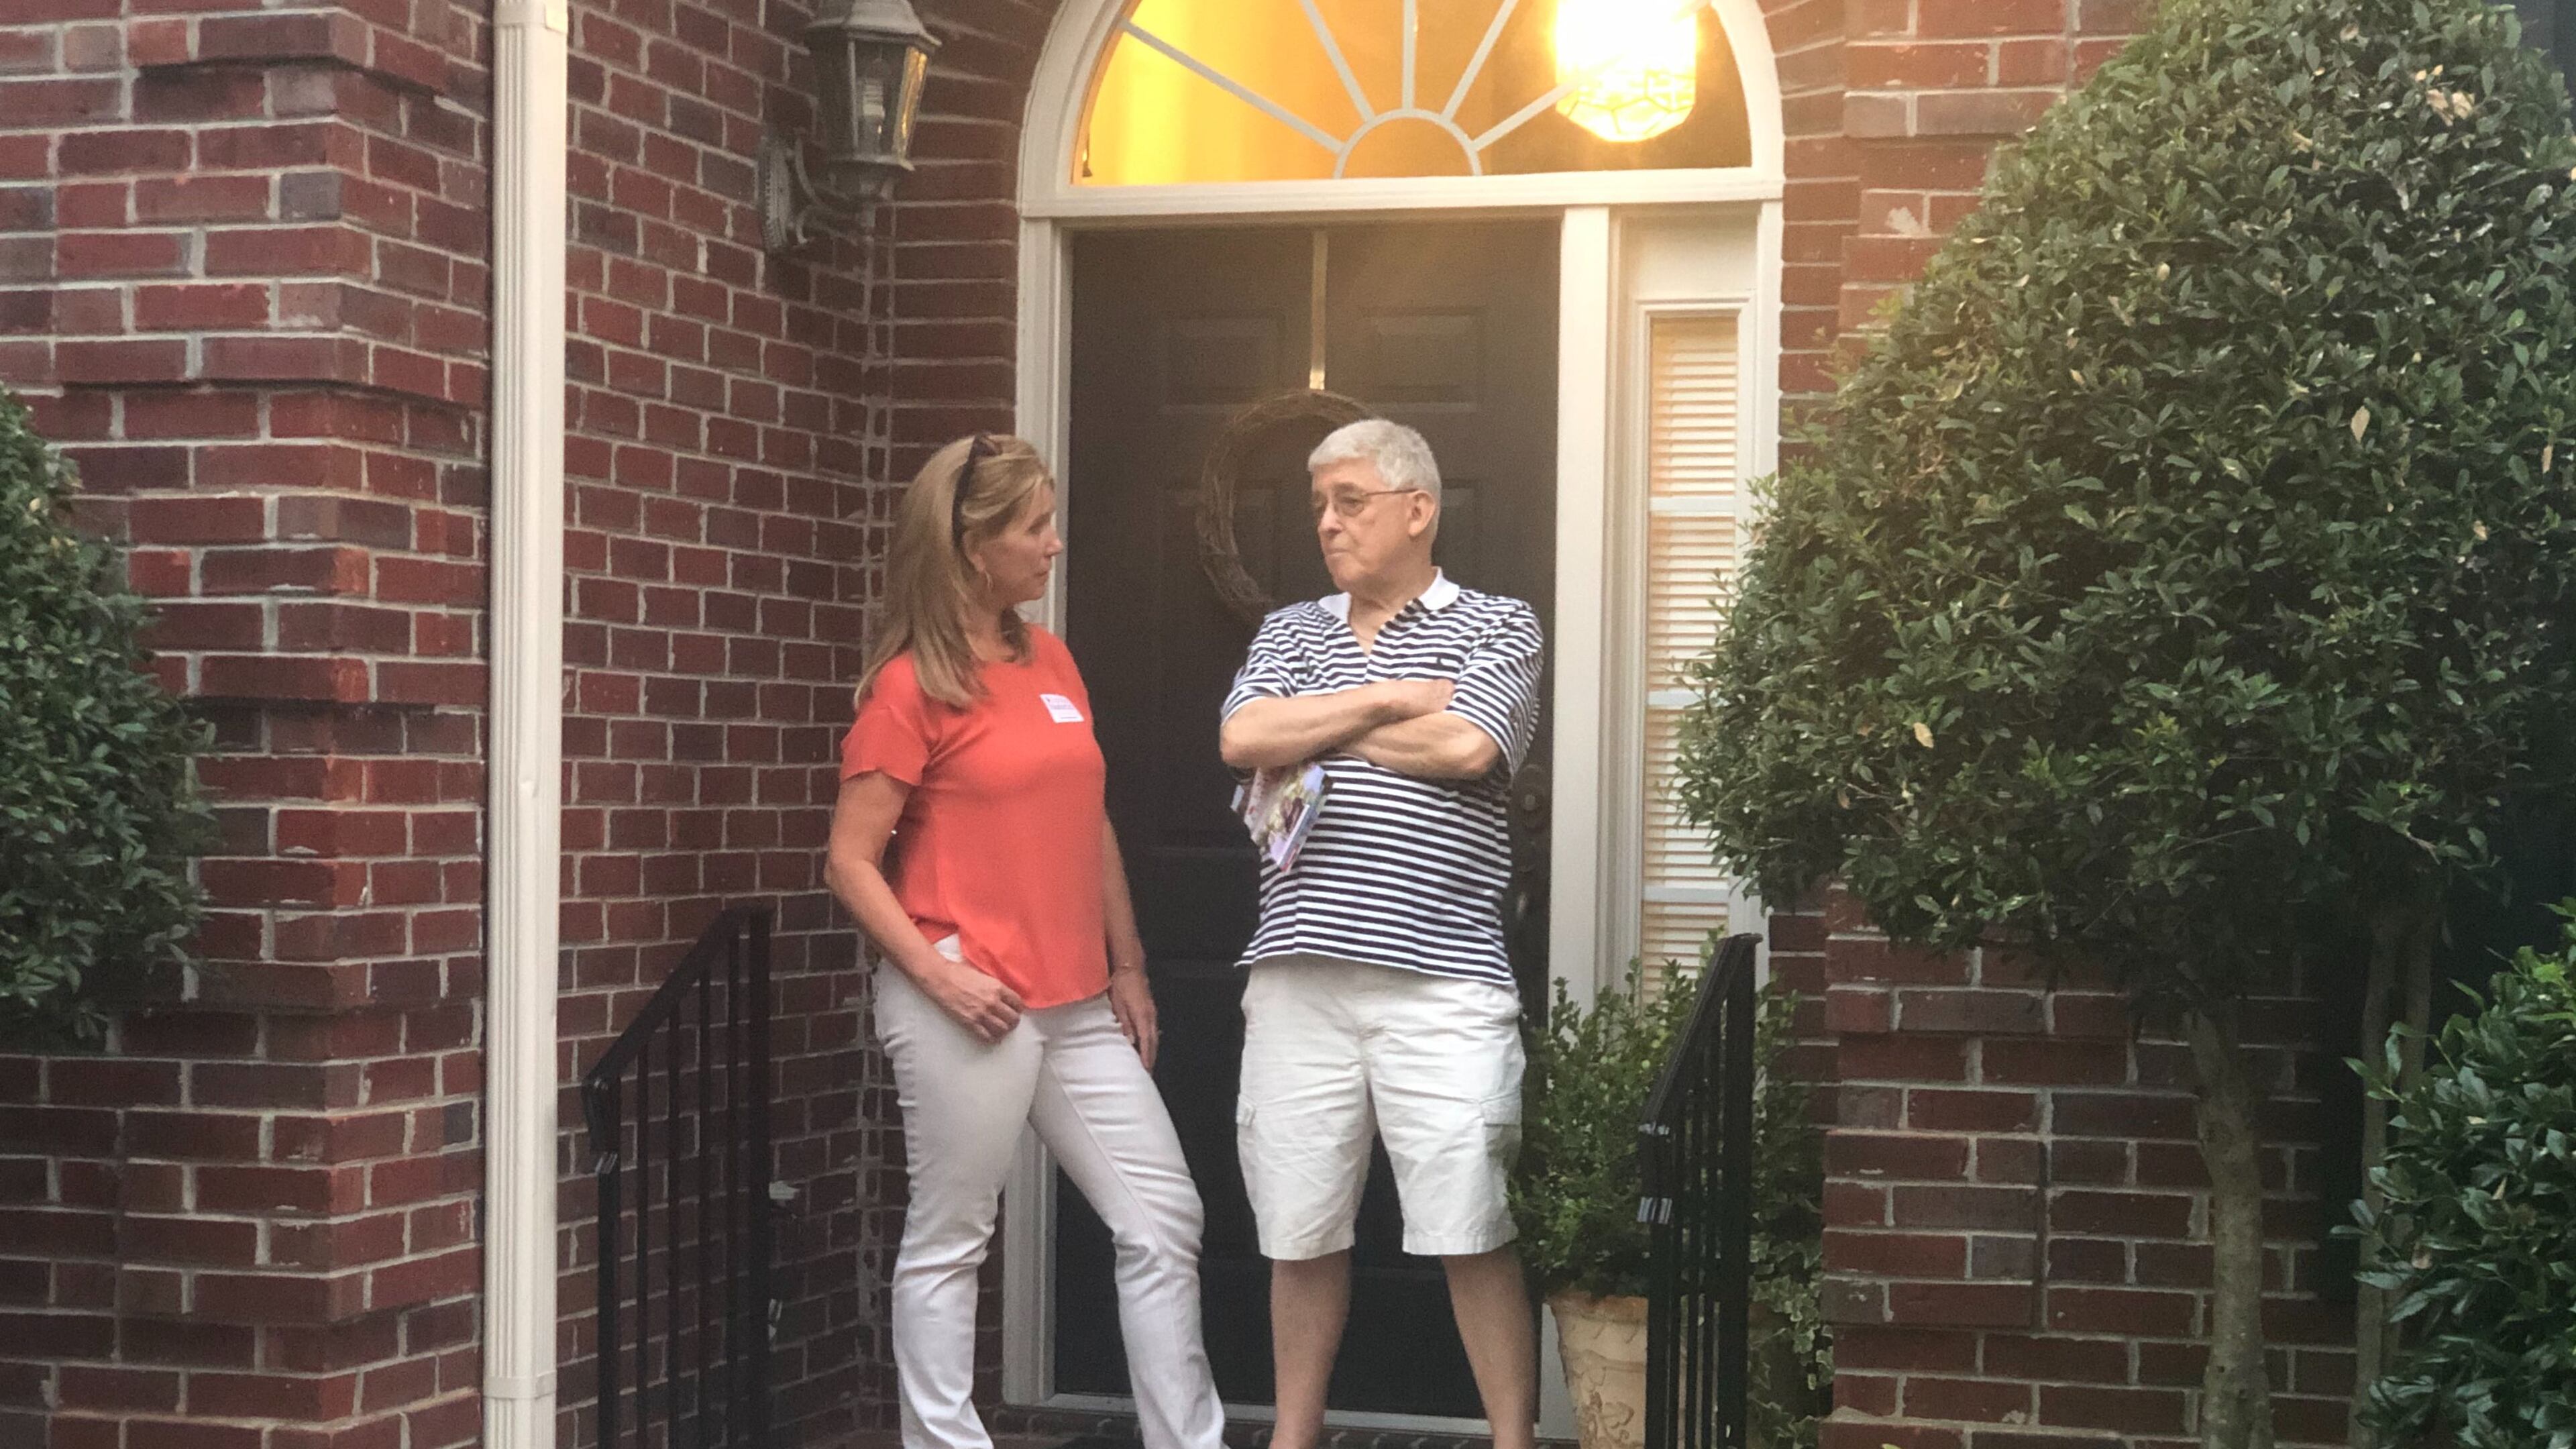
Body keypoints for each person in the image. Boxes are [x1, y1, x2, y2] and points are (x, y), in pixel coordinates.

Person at [824, 434, 1224, 1449]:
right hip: (968, 998)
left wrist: (1127, 966)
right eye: (1035, 526)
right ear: (971, 548)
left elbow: (1087, 820)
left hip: (1076, 1002)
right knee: (952, 1240)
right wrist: (936, 975)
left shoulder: (1051, 659)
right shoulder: (909, 688)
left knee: (1162, 1219)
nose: (1054, 546)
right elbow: (850, 863)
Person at [1218, 418, 1546, 1449]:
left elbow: (1467, 745)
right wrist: (1392, 695)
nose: (1327, 522)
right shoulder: (1287, 629)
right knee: (1299, 1229)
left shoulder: (1500, 624)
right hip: (1298, 978)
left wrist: (1324, 717)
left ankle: (1512, 1442)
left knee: (1471, 1227)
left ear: (1418, 509)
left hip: (1443, 983)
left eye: (1349, 501)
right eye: (1320, 504)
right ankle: (1295, 1437)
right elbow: (1242, 737)